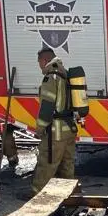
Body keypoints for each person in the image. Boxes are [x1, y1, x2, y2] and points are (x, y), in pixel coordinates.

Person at [31, 46, 88, 194]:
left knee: (47, 164)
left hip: (56, 133)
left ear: (44, 60)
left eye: (39, 62)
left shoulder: (51, 77)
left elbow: (47, 107)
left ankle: (38, 196)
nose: (39, 65)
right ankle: (69, 196)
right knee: (67, 166)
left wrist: (39, 129)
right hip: (69, 128)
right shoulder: (65, 73)